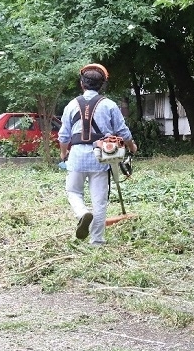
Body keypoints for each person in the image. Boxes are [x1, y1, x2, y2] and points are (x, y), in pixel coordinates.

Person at [59, 63, 138, 246]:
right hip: (101, 157)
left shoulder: (71, 105)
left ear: (82, 84)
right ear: (102, 85)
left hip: (77, 156)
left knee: (73, 191)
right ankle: (97, 241)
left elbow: (64, 136)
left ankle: (82, 213)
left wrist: (64, 153)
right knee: (99, 200)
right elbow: (123, 131)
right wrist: (132, 147)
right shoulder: (109, 105)